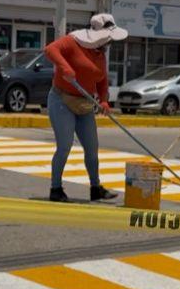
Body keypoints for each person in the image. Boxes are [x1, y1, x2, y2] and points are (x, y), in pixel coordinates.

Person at [43, 13, 128, 202]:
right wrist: (64, 67)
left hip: (85, 104)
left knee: (92, 148)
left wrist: (104, 100)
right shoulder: (73, 41)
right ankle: (55, 189)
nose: (109, 44)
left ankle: (95, 187)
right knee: (64, 146)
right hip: (62, 100)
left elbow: (102, 79)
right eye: (107, 39)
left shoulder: (100, 55)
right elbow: (50, 49)